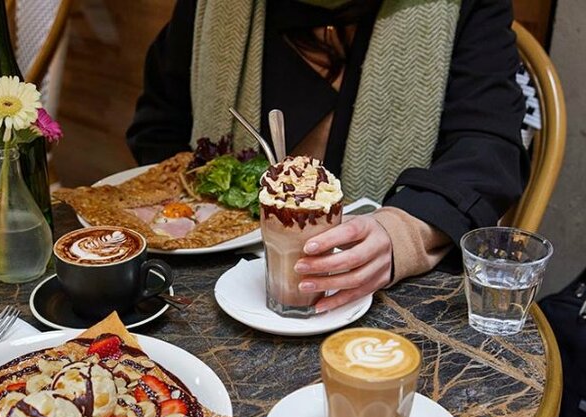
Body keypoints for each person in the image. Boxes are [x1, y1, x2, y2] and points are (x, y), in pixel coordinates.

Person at [127, 0, 528, 313]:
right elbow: (162, 125)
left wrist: (402, 234)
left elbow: (487, 147)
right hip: (220, 288)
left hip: (387, 305)